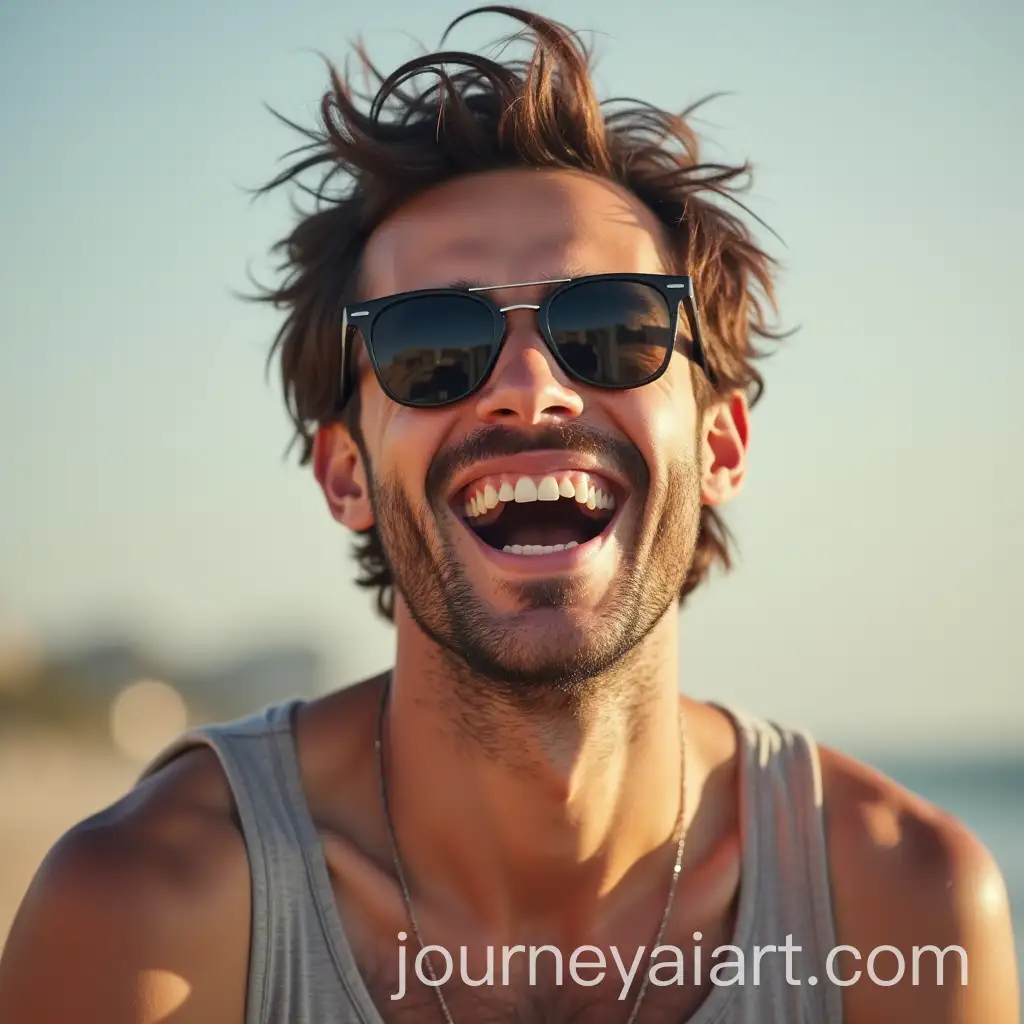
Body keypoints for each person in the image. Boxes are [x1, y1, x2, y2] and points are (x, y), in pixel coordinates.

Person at [0, 8, 1018, 1023]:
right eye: (434, 343)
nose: (530, 389)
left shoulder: (900, 911)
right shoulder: (146, 915)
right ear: (344, 473)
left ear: (719, 448)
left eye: (613, 329)